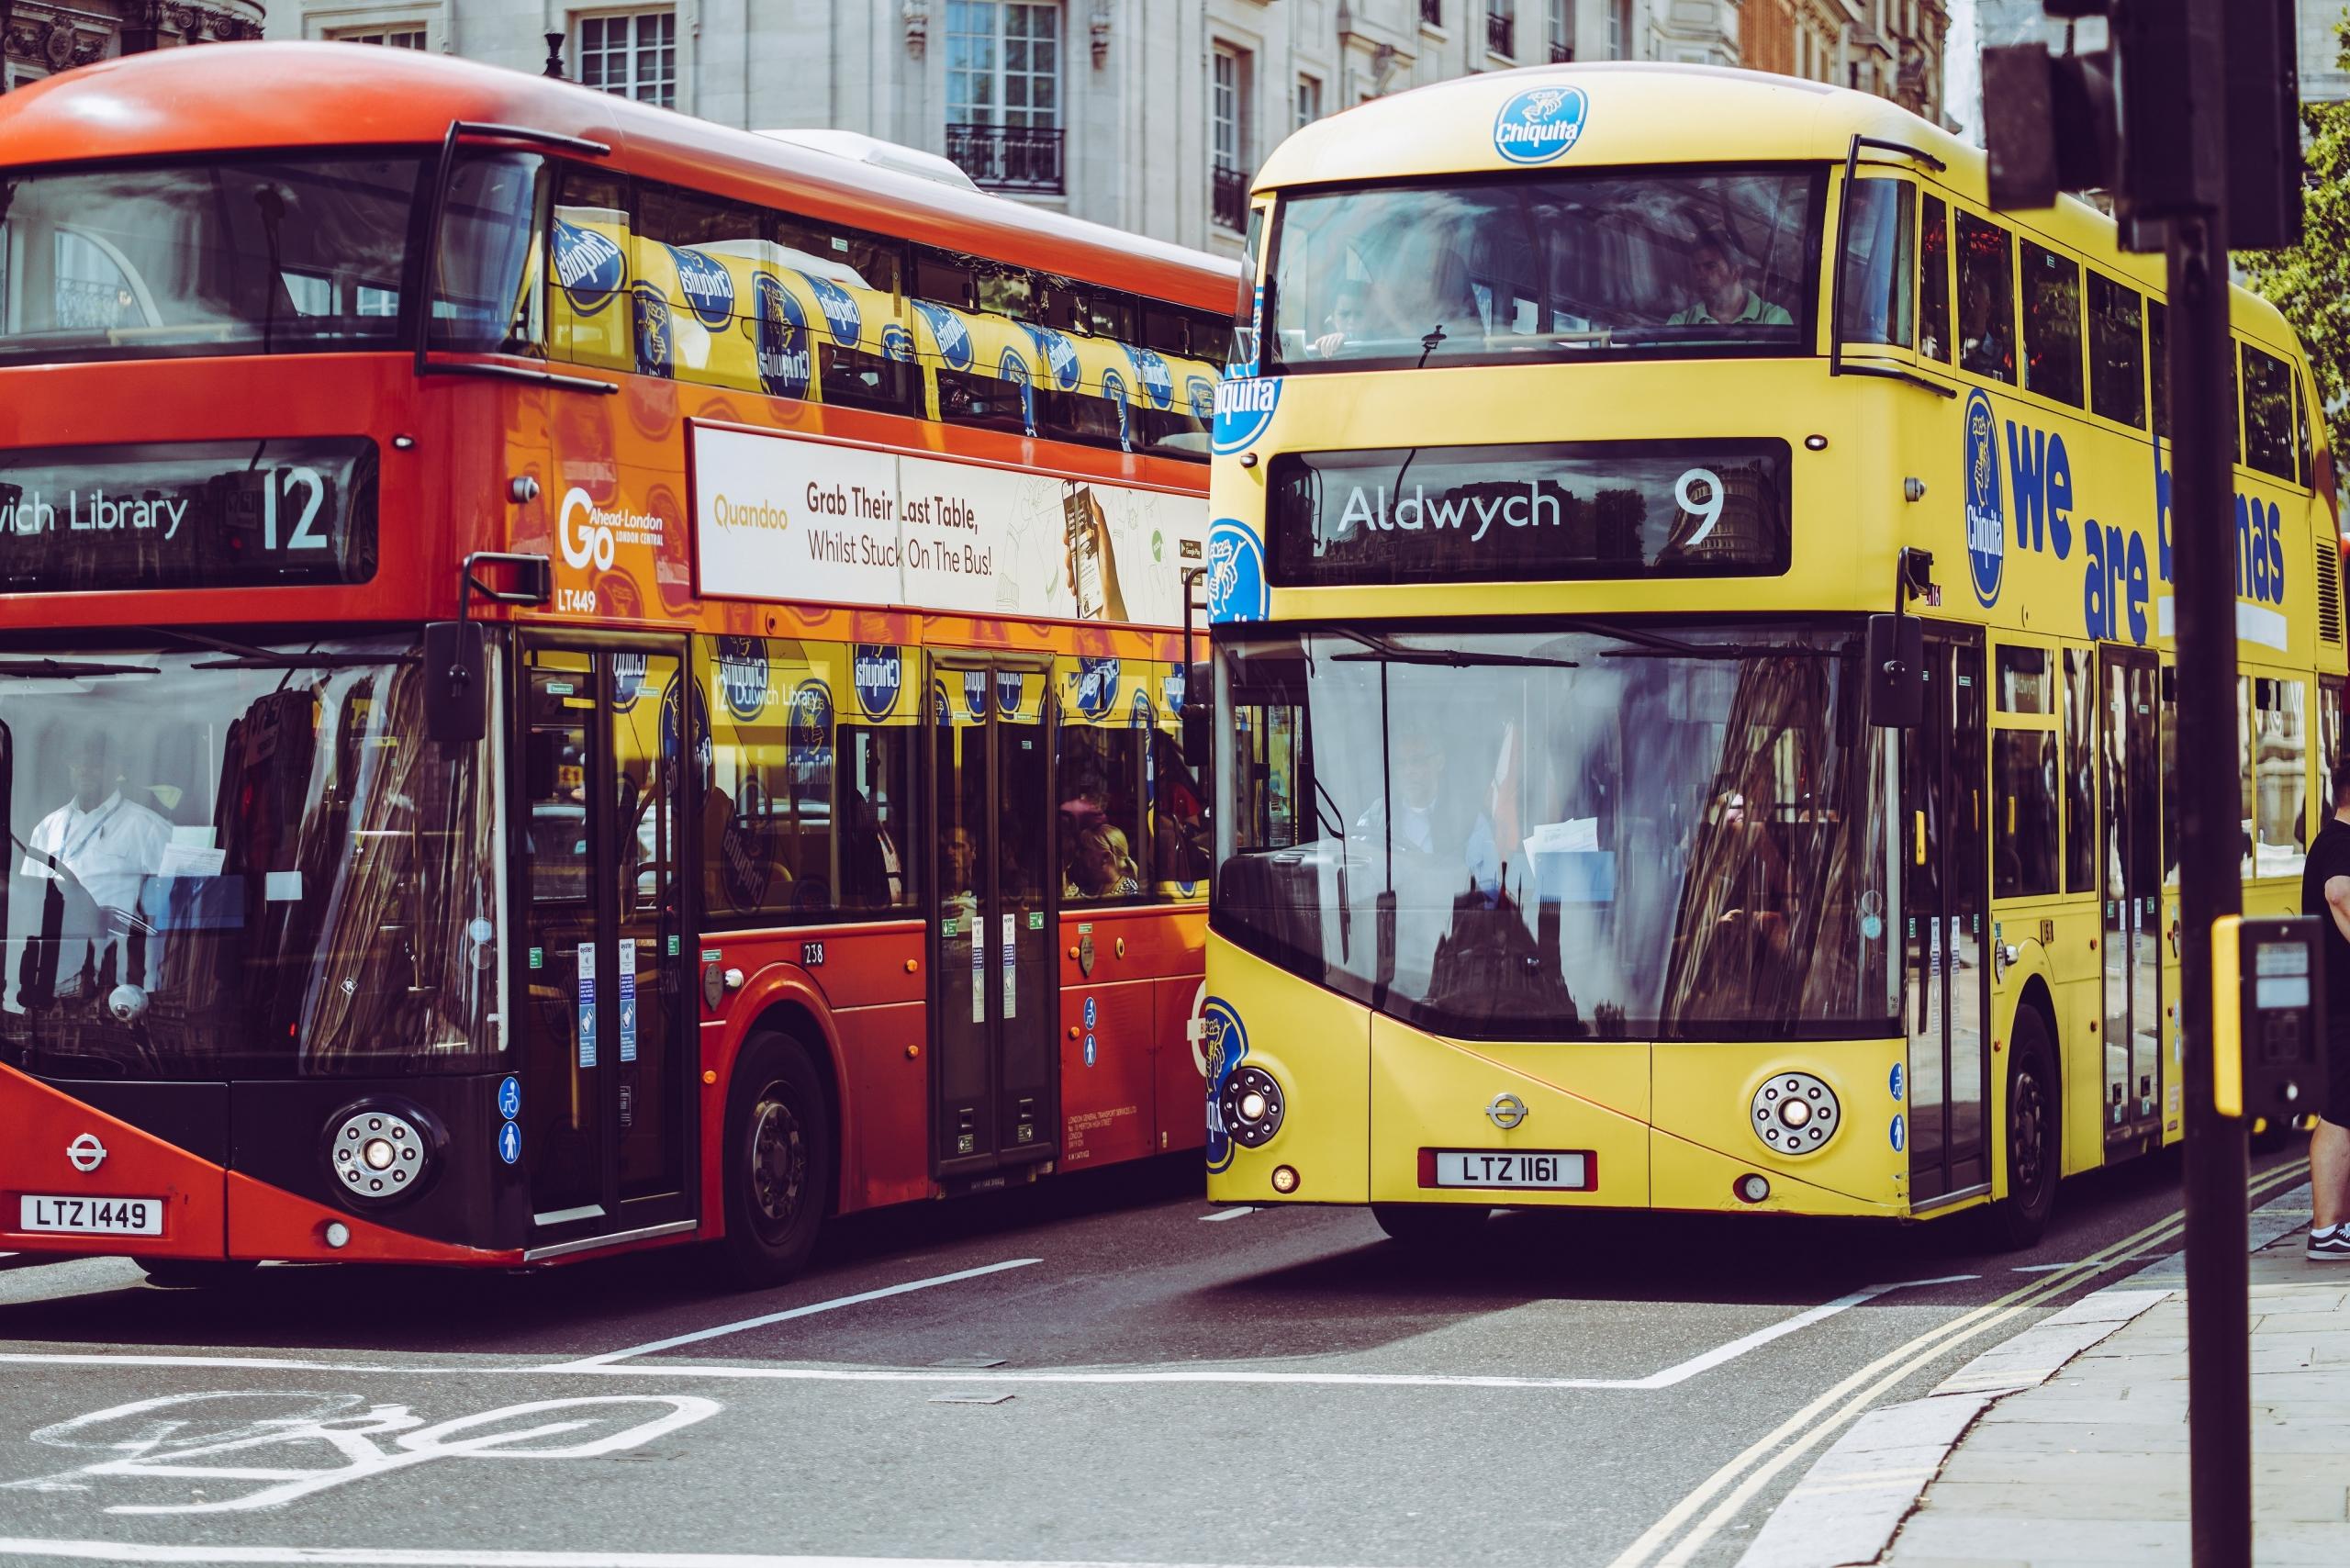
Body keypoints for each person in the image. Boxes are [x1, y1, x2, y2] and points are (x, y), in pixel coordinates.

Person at [22, 734, 172, 1006]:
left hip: (123, 961)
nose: (83, 770)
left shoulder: (148, 827)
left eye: (93, 764)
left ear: (116, 771)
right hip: (59, 965)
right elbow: (31, 904)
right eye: (76, 763)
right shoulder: (47, 827)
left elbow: (173, 904)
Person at [2299, 763, 2350, 1261]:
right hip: (2340, 1007)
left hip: (2338, 1004)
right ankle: (2327, 1228)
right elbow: (2339, 894)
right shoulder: (2338, 844)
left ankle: (2337, 1224)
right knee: (2340, 1109)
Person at [1357, 728, 1499, 900]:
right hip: (1389, 922)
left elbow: (1490, 894)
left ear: (1439, 761)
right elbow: (1355, 873)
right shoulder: (1376, 818)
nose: (1408, 771)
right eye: (1401, 763)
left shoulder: (1469, 821)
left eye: (1417, 761)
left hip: (1448, 921)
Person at [1669, 232, 1793, 329]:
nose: (1700, 276)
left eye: (1710, 266)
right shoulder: (1680, 323)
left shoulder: (1774, 320)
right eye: (1697, 268)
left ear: (1736, 272)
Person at [1065, 822, 1141, 899]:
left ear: (1106, 856)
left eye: (1085, 849)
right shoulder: (1091, 887)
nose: (1078, 854)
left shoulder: (1130, 894)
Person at [1307, 283, 1370, 358]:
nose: (1351, 321)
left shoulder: (1382, 346)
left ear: (1370, 318)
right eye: (1344, 314)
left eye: (1359, 314)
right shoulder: (1320, 351)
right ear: (1332, 318)